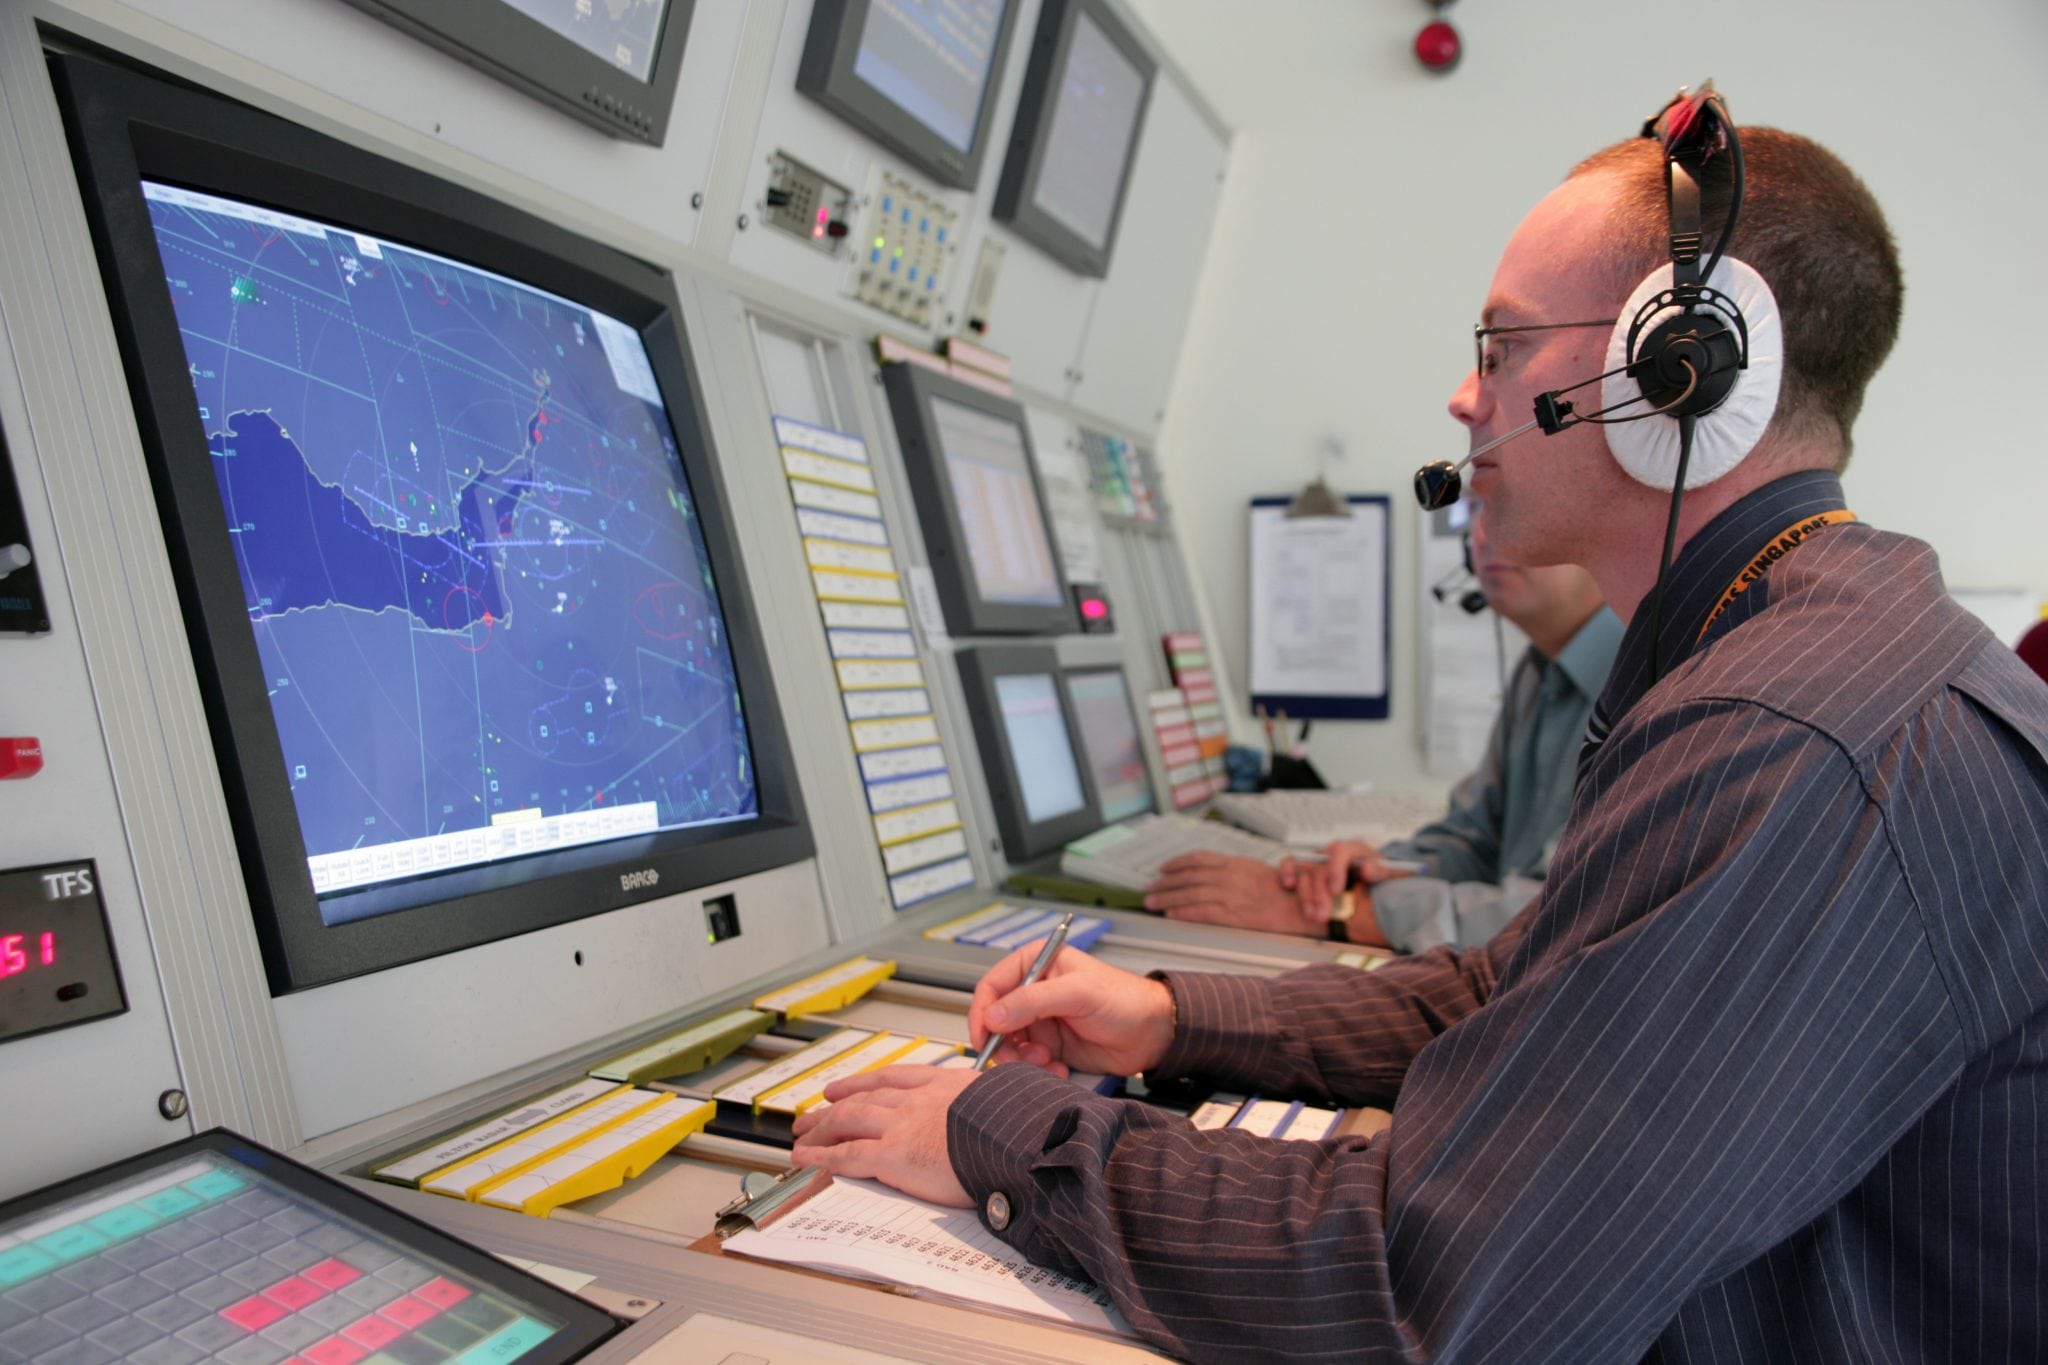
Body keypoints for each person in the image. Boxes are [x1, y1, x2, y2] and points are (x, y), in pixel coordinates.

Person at [792, 97, 2048, 1361]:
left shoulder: (1793, 742)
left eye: (1499, 349)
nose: (1461, 397)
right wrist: (1175, 1017)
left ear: (1678, 373)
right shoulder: (1788, 658)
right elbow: (1519, 990)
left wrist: (1000, 1130)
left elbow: (1428, 1288)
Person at [1144, 518, 1622, 953]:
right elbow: (1476, 842)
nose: (1480, 534)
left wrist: (1344, 912)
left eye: (1509, 504)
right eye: (1474, 509)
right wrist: (1379, 871)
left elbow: (1562, 914)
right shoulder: (1537, 672)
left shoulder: (1649, 682)